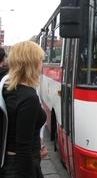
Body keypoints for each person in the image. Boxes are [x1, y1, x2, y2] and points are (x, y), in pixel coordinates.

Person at [2, 41, 47, 178]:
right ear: (32, 63)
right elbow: (23, 149)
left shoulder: (8, 88)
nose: (42, 65)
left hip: (9, 163)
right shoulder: (28, 98)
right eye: (40, 60)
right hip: (20, 167)